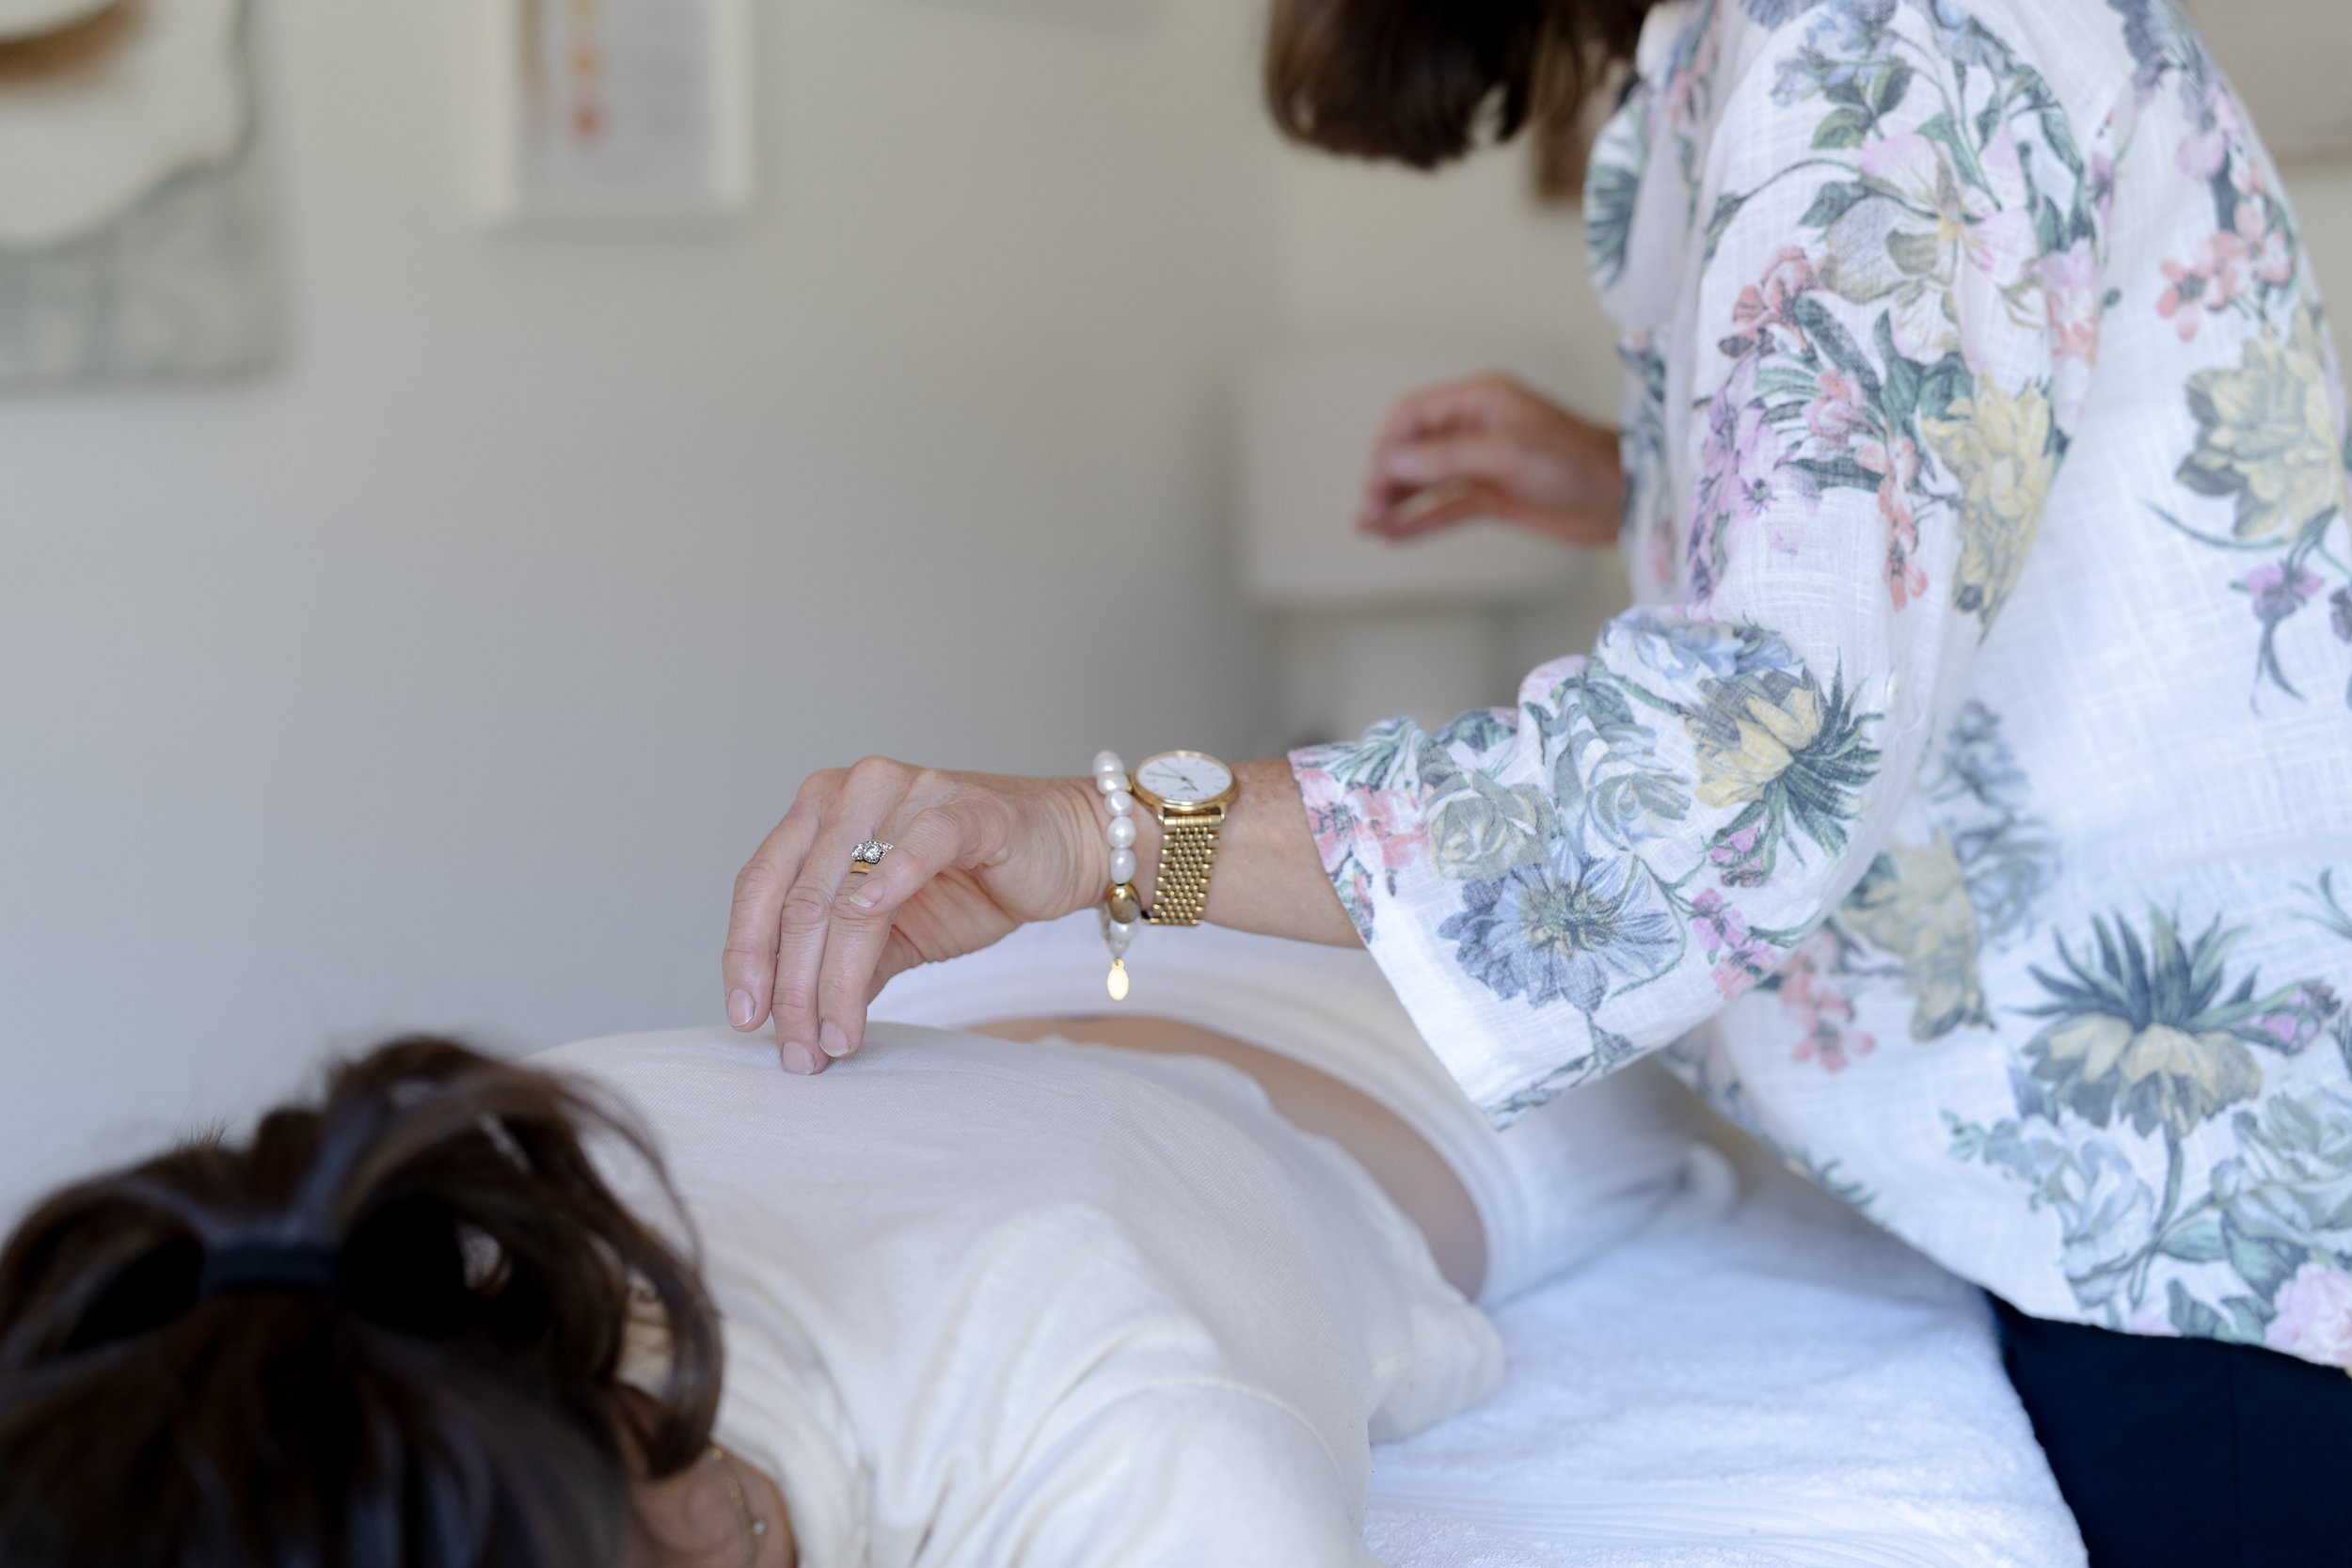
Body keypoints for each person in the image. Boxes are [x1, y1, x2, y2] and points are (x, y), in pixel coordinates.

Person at [717, 3, 2352, 1563]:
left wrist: (1113, 837)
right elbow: (1962, 472)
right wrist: (1641, 474)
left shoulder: (1872, 30)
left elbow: (1734, 770)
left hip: (2197, 1222)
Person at [0, 921, 1722, 1568]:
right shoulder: (411, 1296)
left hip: (1411, 1062)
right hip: (948, 1003)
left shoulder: (1120, 1440)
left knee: (1678, 985)